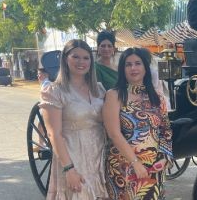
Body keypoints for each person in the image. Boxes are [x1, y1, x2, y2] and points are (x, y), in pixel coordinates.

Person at [39, 39, 108, 199]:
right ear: (65, 59)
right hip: (72, 155)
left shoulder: (99, 89)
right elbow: (54, 134)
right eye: (75, 57)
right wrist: (69, 169)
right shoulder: (55, 91)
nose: (81, 62)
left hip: (99, 155)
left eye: (86, 58)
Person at [103, 47, 172, 200]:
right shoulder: (114, 95)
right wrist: (135, 163)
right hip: (124, 166)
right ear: (122, 69)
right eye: (128, 64)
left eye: (137, 63)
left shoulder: (157, 97)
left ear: (145, 68)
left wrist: (165, 157)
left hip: (154, 167)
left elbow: (165, 129)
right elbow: (114, 134)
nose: (133, 68)